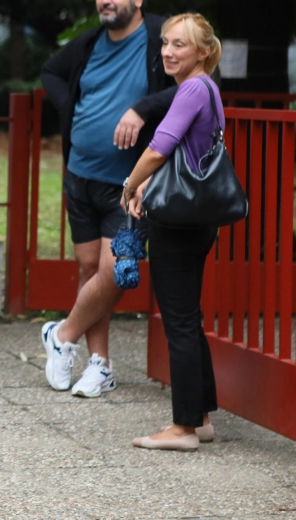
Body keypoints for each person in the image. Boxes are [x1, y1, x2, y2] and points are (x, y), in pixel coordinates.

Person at [39, 0, 177, 397]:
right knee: (90, 270)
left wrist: (142, 108)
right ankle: (100, 364)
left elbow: (195, 85)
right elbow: (50, 71)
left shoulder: (161, 37)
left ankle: (61, 334)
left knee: (115, 270)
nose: (106, 1)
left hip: (130, 186)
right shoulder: (88, 43)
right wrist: (71, 107)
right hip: (80, 176)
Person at [122, 14, 223, 451]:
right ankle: (201, 417)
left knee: (178, 322)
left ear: (203, 51)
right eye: (165, 42)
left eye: (179, 44)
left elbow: (159, 147)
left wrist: (130, 184)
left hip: (178, 221)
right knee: (188, 318)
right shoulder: (207, 88)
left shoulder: (192, 89)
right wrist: (147, 181)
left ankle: (183, 429)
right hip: (196, 216)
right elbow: (185, 150)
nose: (167, 51)